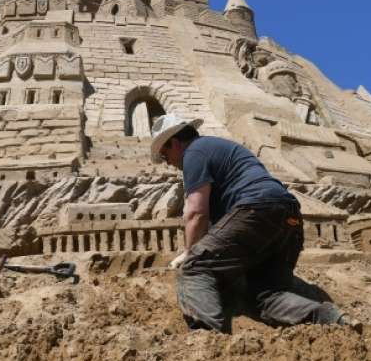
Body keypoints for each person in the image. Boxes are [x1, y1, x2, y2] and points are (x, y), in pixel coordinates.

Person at [150, 113, 359, 333]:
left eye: (166, 156)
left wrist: (190, 253)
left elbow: (196, 212)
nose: (170, 164)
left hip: (256, 209)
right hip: (289, 217)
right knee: (265, 294)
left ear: (173, 143)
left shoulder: (194, 152)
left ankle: (208, 338)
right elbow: (222, 228)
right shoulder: (220, 149)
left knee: (195, 268)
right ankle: (328, 317)